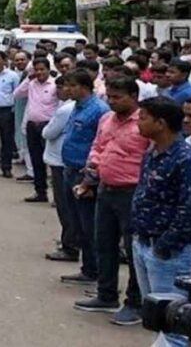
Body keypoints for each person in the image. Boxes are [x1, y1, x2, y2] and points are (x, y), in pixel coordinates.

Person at [73, 77, 146, 326]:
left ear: (134, 96)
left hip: (132, 193)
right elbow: (98, 147)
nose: (112, 102)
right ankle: (106, 295)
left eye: (118, 97)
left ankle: (135, 303)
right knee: (104, 244)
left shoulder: (144, 123)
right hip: (105, 189)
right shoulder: (107, 119)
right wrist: (90, 175)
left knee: (133, 250)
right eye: (110, 97)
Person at [131, 97, 191, 347]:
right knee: (155, 316)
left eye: (143, 118)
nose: (138, 122)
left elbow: (190, 209)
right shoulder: (151, 153)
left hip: (168, 253)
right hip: (143, 243)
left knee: (174, 324)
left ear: (161, 123)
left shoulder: (186, 159)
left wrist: (165, 246)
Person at [60, 69, 110, 286]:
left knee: (89, 225)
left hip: (85, 174)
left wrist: (90, 177)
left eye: (71, 85)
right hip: (70, 169)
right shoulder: (77, 106)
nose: (66, 89)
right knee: (77, 223)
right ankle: (88, 268)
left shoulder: (99, 110)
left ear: (84, 87)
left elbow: (101, 144)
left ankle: (95, 271)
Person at [43, 76, 78, 262]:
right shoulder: (72, 107)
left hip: (60, 160)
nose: (60, 91)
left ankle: (69, 245)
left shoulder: (66, 109)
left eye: (63, 87)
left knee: (65, 206)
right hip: (65, 159)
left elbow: (48, 132)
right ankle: (71, 240)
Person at [14, 58, 59, 203]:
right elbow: (17, 94)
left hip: (48, 126)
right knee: (36, 160)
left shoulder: (55, 85)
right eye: (36, 69)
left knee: (52, 162)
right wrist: (28, 78)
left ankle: (57, 196)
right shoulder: (31, 84)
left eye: (42, 69)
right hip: (32, 125)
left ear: (48, 70)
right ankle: (40, 192)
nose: (39, 72)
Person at [12, 51, 35, 183]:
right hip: (22, 111)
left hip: (40, 116)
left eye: (22, 59)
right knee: (23, 139)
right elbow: (17, 93)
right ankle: (30, 170)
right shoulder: (25, 77)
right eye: (17, 60)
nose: (20, 62)